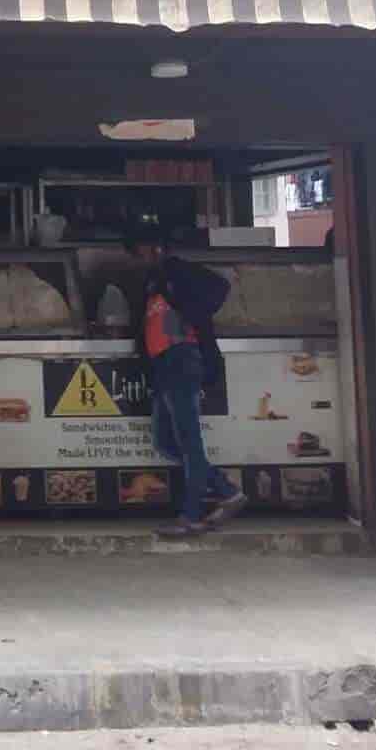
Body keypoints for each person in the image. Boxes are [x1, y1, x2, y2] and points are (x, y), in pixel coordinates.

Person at [125, 224, 248, 536]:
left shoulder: (176, 270)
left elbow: (219, 287)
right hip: (163, 365)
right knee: (165, 441)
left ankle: (191, 515)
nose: (137, 258)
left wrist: (192, 312)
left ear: (155, 247)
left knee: (188, 441)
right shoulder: (152, 281)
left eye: (139, 251)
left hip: (182, 359)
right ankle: (226, 491)